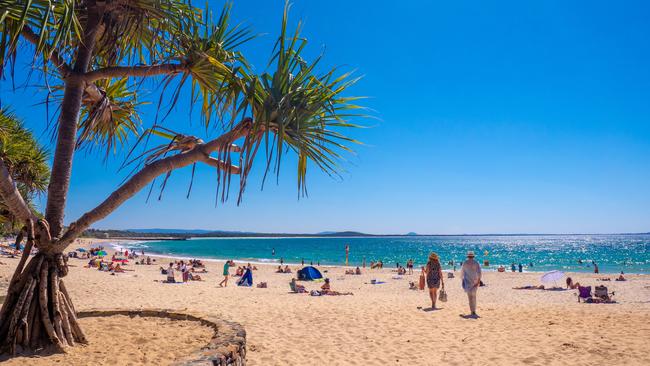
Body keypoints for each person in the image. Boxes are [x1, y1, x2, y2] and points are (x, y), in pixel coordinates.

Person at [460, 251, 481, 317]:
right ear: (473, 256)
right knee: (474, 297)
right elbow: (479, 272)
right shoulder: (476, 262)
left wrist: (462, 279)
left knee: (470, 297)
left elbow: (462, 272)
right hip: (475, 281)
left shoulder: (465, 263)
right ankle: (474, 311)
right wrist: (478, 281)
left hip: (467, 281)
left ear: (468, 256)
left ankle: (472, 311)